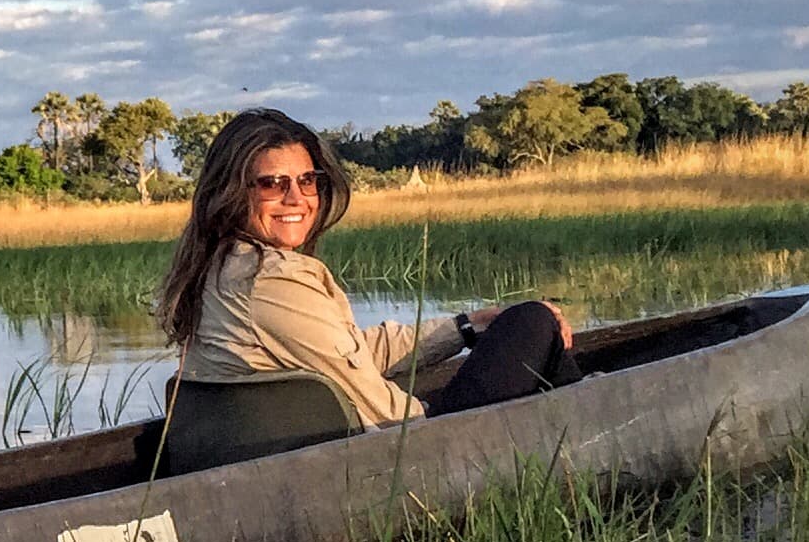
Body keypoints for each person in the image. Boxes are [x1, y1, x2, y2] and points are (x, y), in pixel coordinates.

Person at [155, 108, 579, 428]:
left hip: (289, 446)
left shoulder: (221, 266)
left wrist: (467, 326)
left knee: (518, 328)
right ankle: (588, 422)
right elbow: (378, 408)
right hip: (388, 456)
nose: (297, 198)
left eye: (307, 181)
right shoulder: (269, 280)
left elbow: (349, 352)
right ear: (230, 193)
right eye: (272, 184)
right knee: (534, 322)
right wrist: (436, 415)